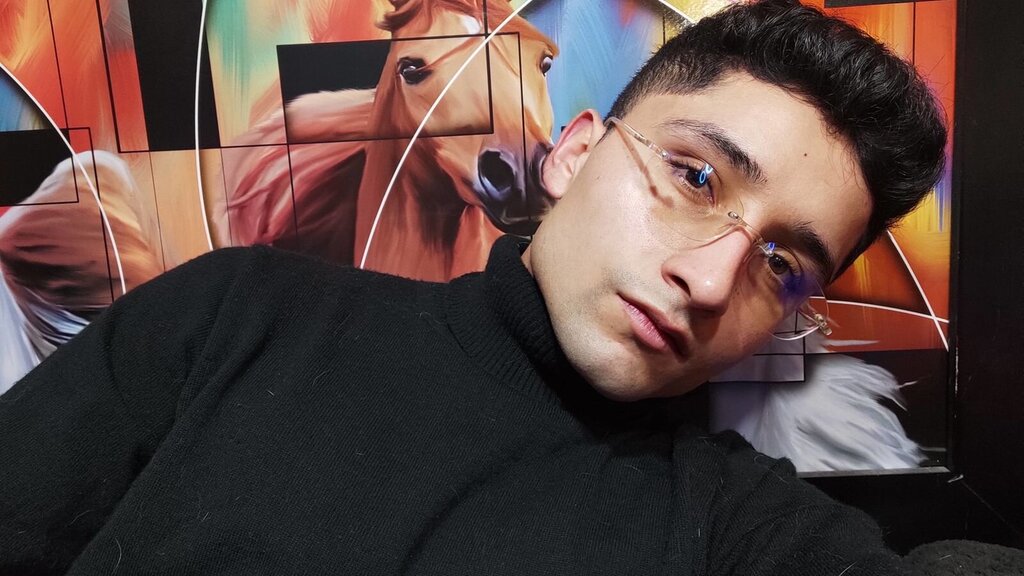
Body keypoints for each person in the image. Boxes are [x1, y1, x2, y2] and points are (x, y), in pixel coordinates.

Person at [0, 0, 946, 573]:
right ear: (573, 154)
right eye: (694, 177)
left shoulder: (726, 522)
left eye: (781, 264)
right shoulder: (235, 318)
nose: (708, 279)